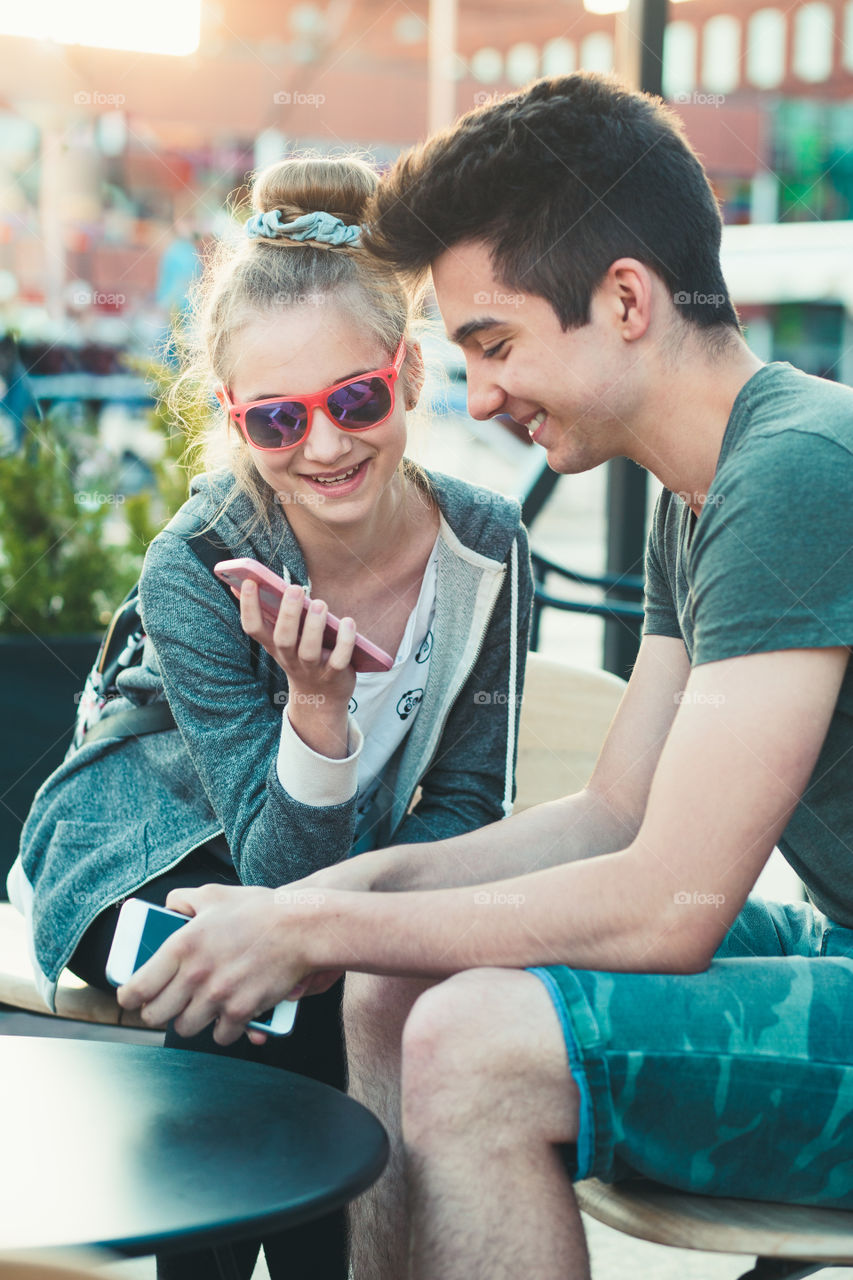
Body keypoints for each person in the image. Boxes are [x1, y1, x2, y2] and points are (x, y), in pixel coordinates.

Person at [117, 73, 853, 1280]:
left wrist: (310, 917)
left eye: (495, 343)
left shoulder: (794, 473)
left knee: (474, 1036)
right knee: (394, 986)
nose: (479, 396)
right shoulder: (704, 494)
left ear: (624, 299)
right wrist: (314, 912)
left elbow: (672, 904)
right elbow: (612, 816)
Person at [7, 154, 533, 1280]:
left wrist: (356, 918)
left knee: (296, 973)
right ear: (238, 422)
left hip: (336, 881)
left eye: (354, 399)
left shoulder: (488, 546)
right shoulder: (198, 561)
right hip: (141, 855)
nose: (326, 446)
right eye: (279, 420)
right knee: (253, 972)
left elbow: (468, 809)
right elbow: (267, 864)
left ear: (405, 370)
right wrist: (316, 709)